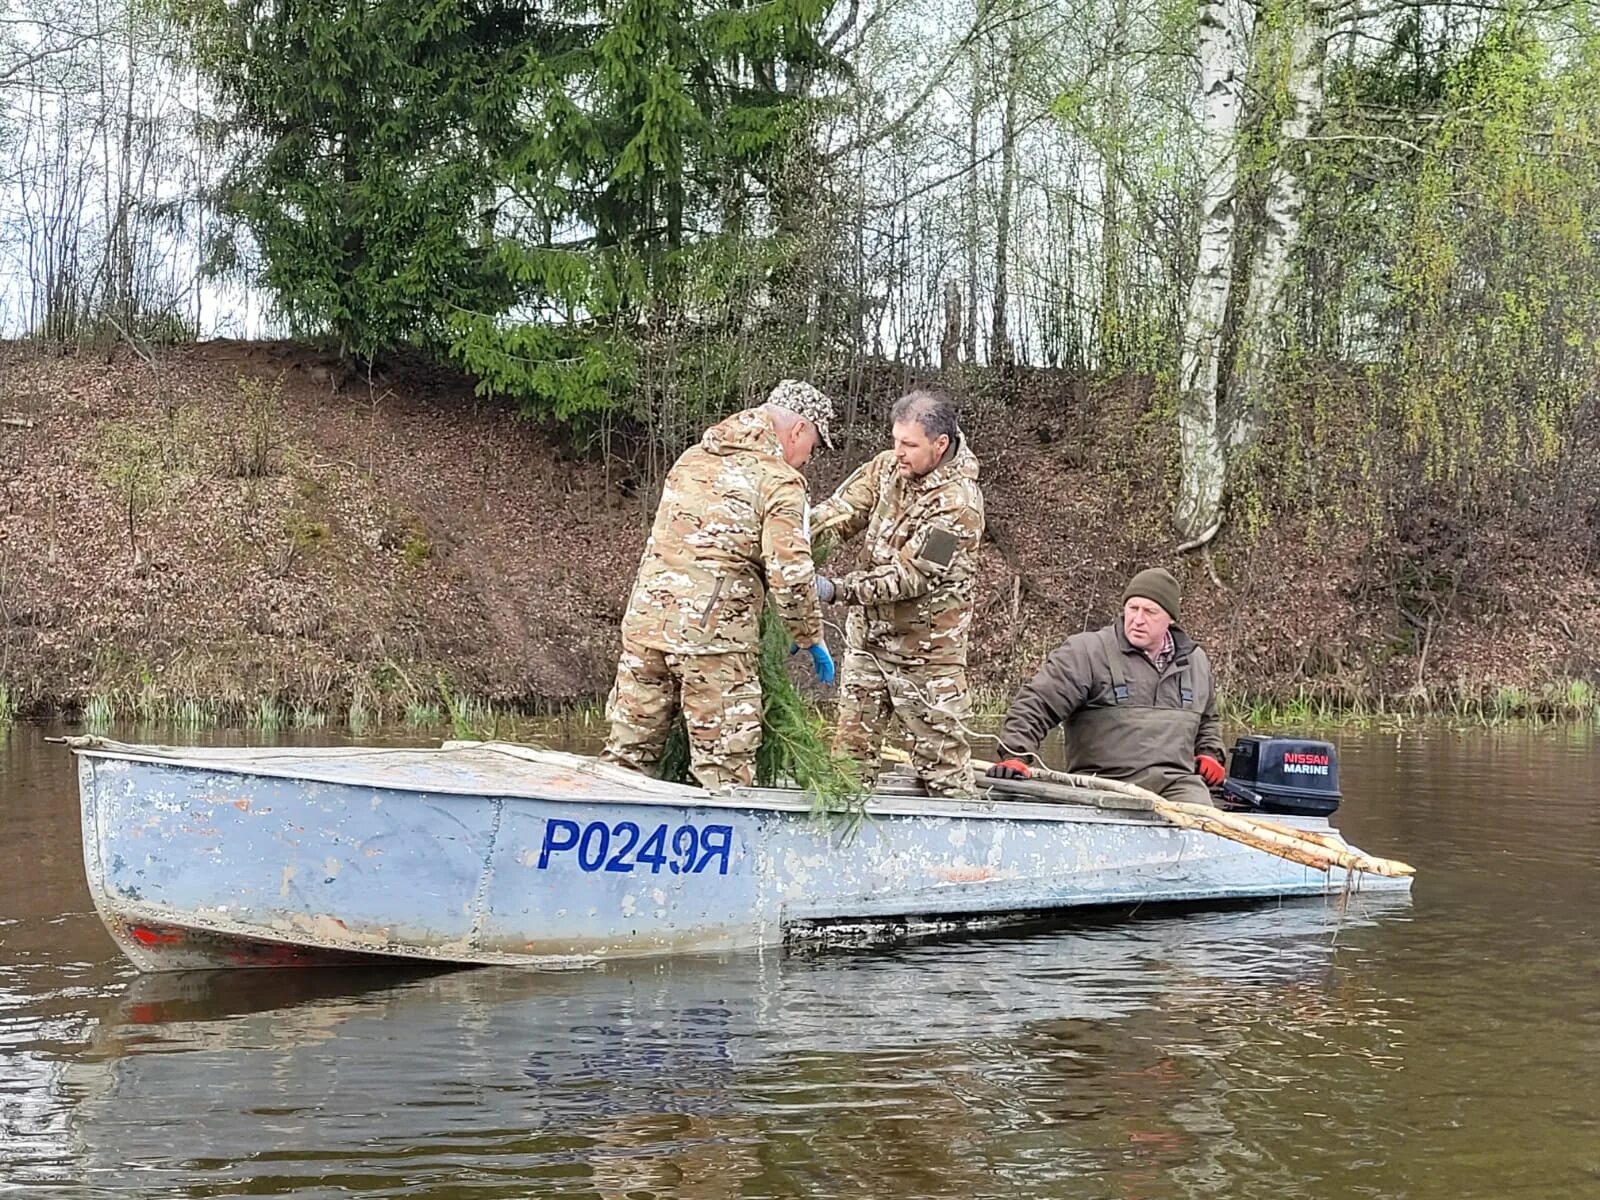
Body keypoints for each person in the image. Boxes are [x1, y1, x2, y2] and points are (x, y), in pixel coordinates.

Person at [601, 380, 837, 791]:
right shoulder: (780, 481)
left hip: (646, 629)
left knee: (625, 761)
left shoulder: (693, 458)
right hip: (715, 642)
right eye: (813, 447)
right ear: (797, 430)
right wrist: (809, 634)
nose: (807, 460)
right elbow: (791, 575)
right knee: (724, 775)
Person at [810, 389, 985, 798]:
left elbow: (912, 577)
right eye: (895, 440)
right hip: (869, 646)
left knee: (943, 772)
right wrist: (795, 536)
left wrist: (835, 589)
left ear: (940, 445)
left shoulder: (959, 505)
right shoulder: (887, 469)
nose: (899, 452)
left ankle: (962, 857)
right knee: (849, 763)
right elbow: (840, 514)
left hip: (927, 660)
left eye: (909, 444)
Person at [987, 567, 1224, 805]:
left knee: (1202, 820)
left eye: (1150, 612)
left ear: (1170, 618)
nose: (1138, 620)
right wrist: (1016, 755)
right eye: (1133, 608)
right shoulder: (1087, 652)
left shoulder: (1195, 661)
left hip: (1178, 787)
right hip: (1101, 784)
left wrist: (1210, 753)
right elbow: (1037, 703)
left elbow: (1207, 719)